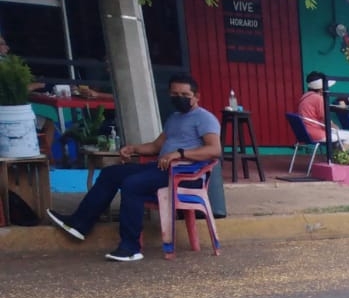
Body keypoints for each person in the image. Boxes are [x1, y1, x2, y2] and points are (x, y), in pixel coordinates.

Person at [46, 72, 220, 263]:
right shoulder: (174, 118)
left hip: (185, 175)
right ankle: (80, 223)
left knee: (132, 184)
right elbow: (156, 146)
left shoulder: (204, 118)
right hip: (161, 169)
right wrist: (133, 148)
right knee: (111, 173)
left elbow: (214, 150)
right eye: (175, 95)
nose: (180, 99)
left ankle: (130, 247)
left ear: (196, 96)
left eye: (185, 96)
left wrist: (180, 154)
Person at [295, 71, 349, 151]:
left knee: (337, 136)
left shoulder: (305, 97)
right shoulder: (318, 99)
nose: (328, 89)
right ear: (321, 89)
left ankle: (333, 158)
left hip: (305, 133)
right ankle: (336, 158)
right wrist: (335, 127)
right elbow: (325, 119)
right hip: (316, 134)